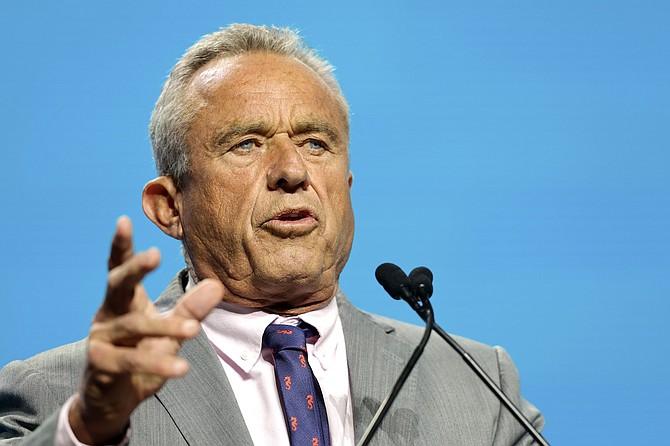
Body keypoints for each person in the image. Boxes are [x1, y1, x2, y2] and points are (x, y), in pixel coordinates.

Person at [0, 24, 544, 445]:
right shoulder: (58, 394)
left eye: (315, 143)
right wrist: (89, 428)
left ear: (346, 186)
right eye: (246, 143)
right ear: (170, 208)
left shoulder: (478, 386)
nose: (292, 170)